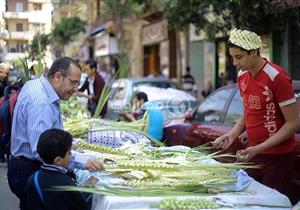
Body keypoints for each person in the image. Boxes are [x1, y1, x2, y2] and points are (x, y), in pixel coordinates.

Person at [212, 28, 300, 197]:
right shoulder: (242, 76)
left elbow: (293, 123)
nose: (235, 63)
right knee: (248, 201)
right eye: (232, 57)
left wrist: (258, 148)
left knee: (270, 204)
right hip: (254, 154)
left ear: (253, 52)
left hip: (278, 158)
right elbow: (249, 112)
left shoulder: (277, 76)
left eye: (239, 57)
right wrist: (232, 134)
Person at [7, 57, 103, 210]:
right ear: (58, 77)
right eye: (74, 82)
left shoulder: (38, 85)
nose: (76, 89)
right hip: (29, 169)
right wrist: (84, 161)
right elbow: (45, 151)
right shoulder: (41, 103)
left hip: (26, 166)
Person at [24, 128, 90, 210]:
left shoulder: (33, 178)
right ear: (58, 160)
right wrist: (88, 188)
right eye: (69, 153)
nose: (71, 155)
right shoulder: (66, 184)